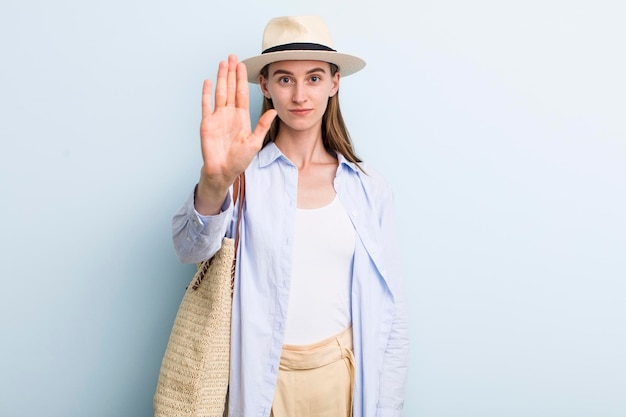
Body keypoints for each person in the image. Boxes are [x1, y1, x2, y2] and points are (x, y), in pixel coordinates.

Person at [172, 15, 409, 417]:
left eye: (314, 78)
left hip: (341, 376)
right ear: (264, 85)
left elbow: (393, 315)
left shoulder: (369, 188)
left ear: (335, 83)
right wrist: (214, 181)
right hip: (260, 379)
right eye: (284, 79)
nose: (300, 95)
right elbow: (188, 249)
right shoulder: (241, 178)